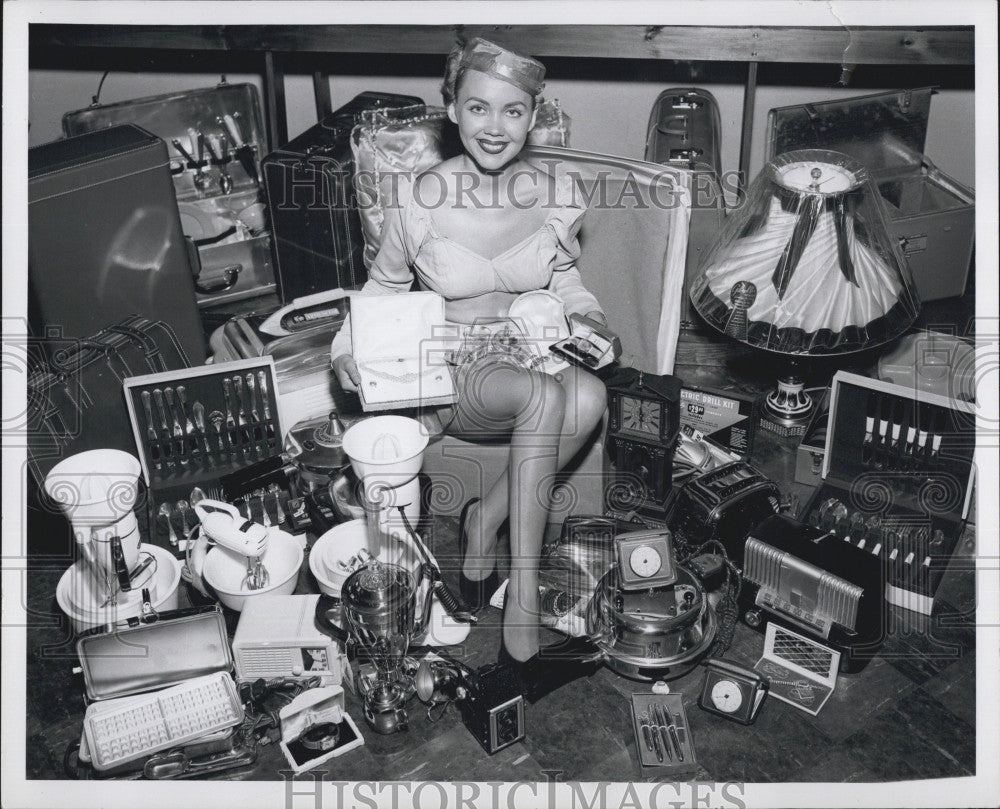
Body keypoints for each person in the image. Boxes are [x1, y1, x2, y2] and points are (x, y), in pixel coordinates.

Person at [332, 38, 609, 699]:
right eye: (478, 106)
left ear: (532, 115)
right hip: (451, 363)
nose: (494, 126)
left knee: (592, 394)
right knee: (545, 395)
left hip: (531, 346)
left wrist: (592, 322)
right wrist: (346, 349)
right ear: (451, 107)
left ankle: (485, 516)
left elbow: (568, 283)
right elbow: (381, 287)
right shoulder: (418, 198)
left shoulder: (557, 192)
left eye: (513, 111)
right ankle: (522, 586)